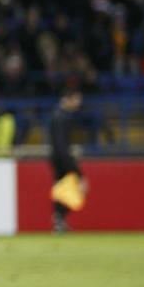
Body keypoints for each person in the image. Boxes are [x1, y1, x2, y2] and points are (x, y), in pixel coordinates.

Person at [49, 87, 85, 233]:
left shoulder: (59, 116)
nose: (78, 103)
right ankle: (58, 220)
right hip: (62, 159)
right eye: (77, 99)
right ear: (68, 99)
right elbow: (61, 144)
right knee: (70, 190)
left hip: (59, 157)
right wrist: (73, 167)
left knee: (63, 190)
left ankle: (59, 220)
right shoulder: (61, 117)